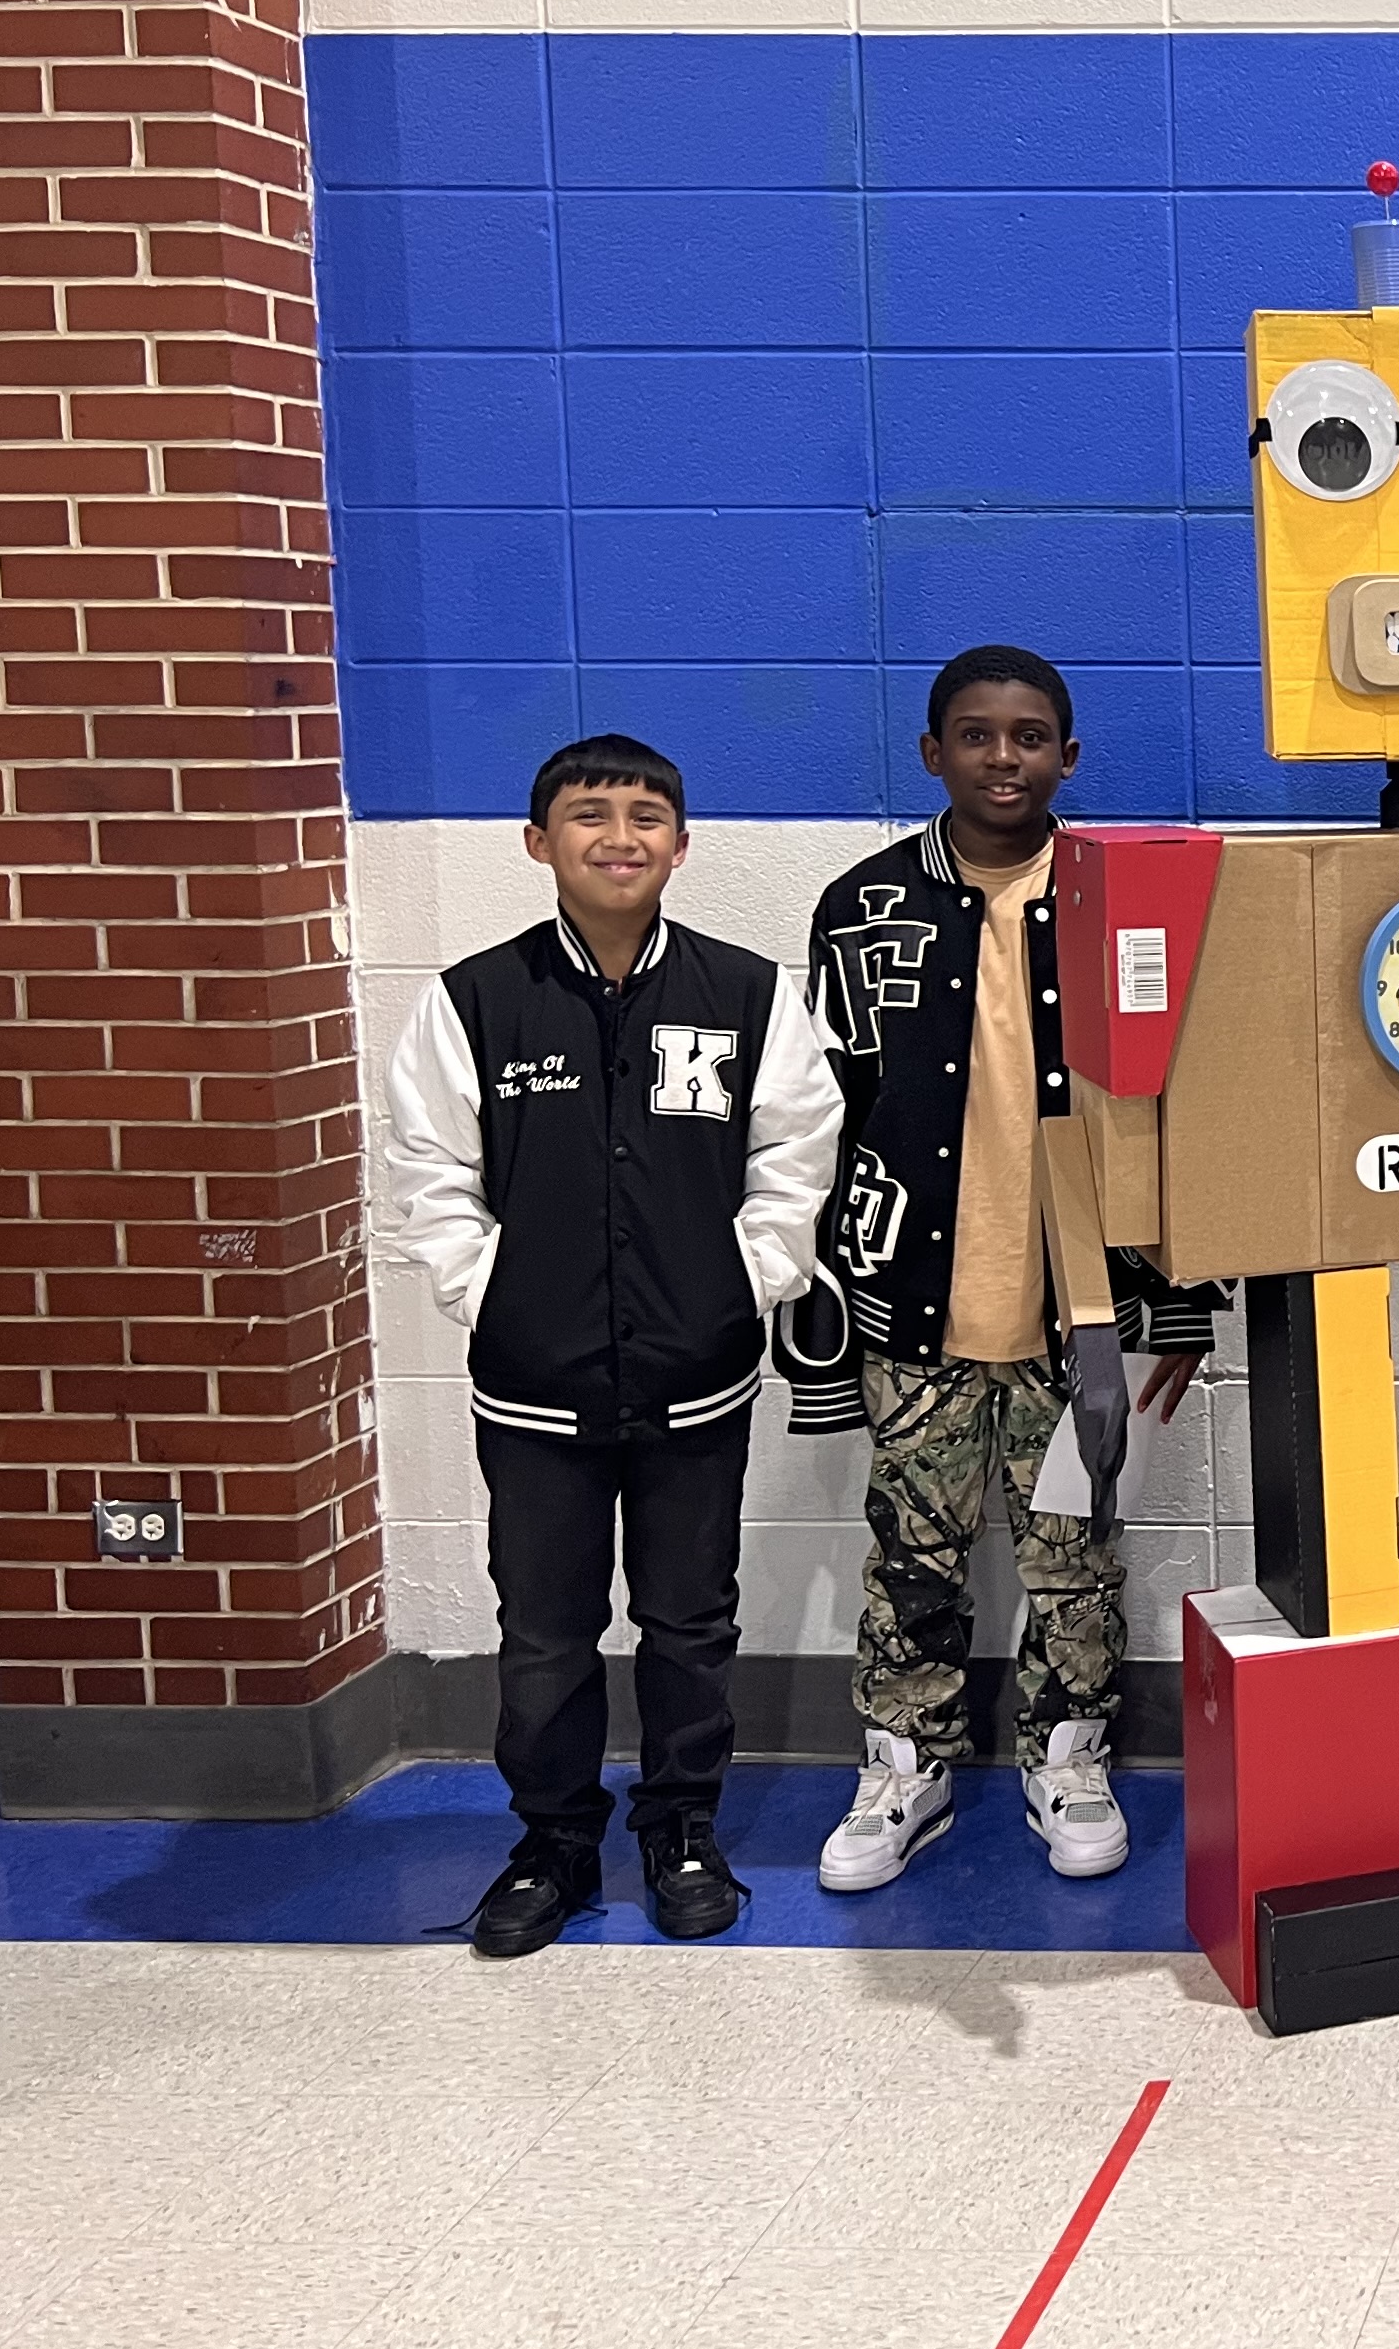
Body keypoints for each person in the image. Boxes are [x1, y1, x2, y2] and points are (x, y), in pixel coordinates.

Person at [379, 733, 843, 1959]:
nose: (620, 835)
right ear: (540, 844)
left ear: (681, 847)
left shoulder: (747, 994)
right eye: (590, 814)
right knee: (543, 1633)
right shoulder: (472, 999)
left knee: (692, 1624)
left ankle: (683, 1831)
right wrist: (497, 1298)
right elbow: (431, 1177)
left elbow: (797, 1157)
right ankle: (553, 1843)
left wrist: (738, 1284)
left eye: (647, 816)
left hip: (700, 1378)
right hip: (534, 1389)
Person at [785, 648, 1215, 1893]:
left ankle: (1069, 1753)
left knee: (1072, 1548)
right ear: (933, 754)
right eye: (975, 736)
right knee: (910, 1548)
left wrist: (1178, 1299)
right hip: (913, 1296)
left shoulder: (1120, 907)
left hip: (1078, 1307)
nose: (1004, 758)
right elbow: (822, 1127)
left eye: (1031, 737)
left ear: (1068, 758)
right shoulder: (861, 909)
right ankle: (903, 1764)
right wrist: (817, 1330)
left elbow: (1177, 1113)